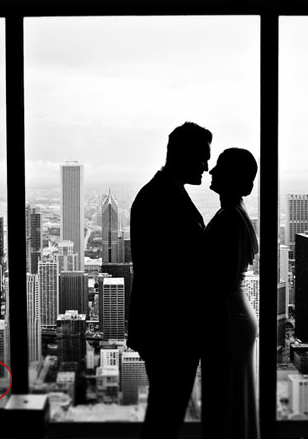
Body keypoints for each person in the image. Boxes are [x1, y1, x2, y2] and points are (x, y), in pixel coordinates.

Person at [127, 121, 212, 439]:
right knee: (166, 415)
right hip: (169, 329)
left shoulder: (161, 193)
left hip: (166, 327)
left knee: (166, 413)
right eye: (202, 157)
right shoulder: (161, 198)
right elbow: (171, 270)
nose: (206, 166)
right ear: (184, 155)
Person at [201, 147, 260, 439]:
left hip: (227, 318)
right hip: (232, 316)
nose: (212, 172)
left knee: (226, 404)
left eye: (220, 168)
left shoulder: (229, 219)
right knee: (233, 403)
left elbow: (218, 283)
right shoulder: (234, 214)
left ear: (233, 178)